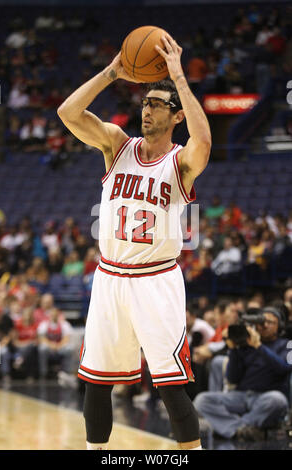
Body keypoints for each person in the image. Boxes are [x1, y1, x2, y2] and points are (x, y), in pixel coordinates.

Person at [57, 33, 211, 450]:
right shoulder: (116, 144)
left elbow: (205, 142)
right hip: (110, 277)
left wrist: (178, 77)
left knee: (170, 386)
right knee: (97, 380)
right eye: (146, 103)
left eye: (158, 105)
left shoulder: (180, 161)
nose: (148, 109)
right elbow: (67, 112)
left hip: (156, 279)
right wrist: (111, 72)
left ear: (175, 116)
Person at [194, 306, 292, 441]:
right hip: (241, 396)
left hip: (266, 397)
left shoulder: (287, 344)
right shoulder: (245, 345)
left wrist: (259, 347)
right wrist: (234, 349)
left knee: (278, 400)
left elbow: (284, 368)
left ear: (279, 326)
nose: (265, 325)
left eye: (271, 322)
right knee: (202, 400)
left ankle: (231, 428)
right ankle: (243, 429)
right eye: (262, 321)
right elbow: (232, 378)